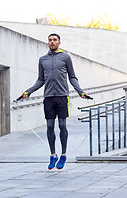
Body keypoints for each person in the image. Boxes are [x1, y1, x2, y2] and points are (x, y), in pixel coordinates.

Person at [21, 33, 90, 170]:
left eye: (54, 40)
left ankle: (63, 155)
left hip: (62, 96)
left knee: (62, 125)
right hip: (48, 97)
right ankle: (53, 155)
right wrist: (28, 91)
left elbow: (72, 77)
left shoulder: (66, 58)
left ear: (59, 42)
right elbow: (40, 80)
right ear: (48, 42)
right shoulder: (42, 59)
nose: (52, 42)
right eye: (50, 40)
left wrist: (80, 91)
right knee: (50, 126)